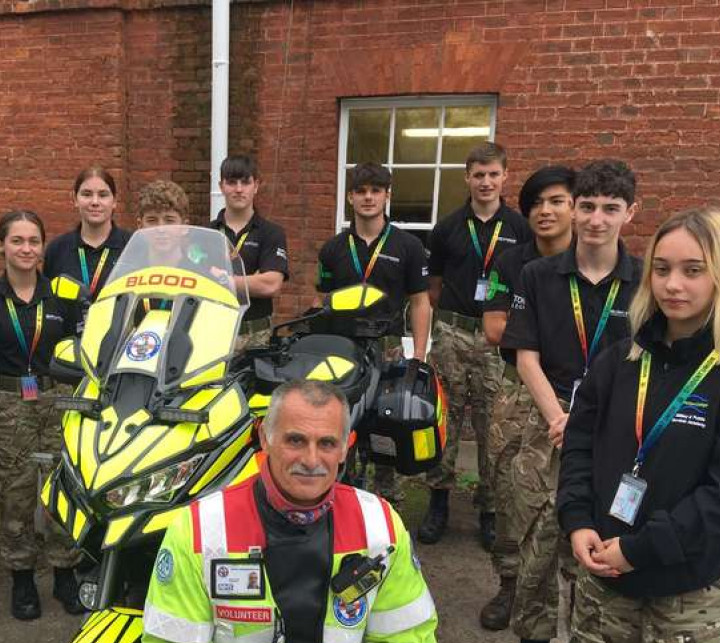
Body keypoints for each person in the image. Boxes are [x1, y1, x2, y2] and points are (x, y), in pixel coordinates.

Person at [143, 380, 440, 643]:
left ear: (346, 449)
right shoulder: (199, 531)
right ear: (264, 439)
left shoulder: (379, 525)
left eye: (327, 443)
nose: (312, 460)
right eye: (295, 440)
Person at [558, 206, 720, 643]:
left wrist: (643, 548)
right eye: (663, 269)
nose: (673, 285)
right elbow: (579, 443)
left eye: (693, 270)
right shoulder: (621, 359)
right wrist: (577, 518)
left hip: (687, 598)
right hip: (606, 584)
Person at [475, 160, 642, 643]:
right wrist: (560, 419)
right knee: (538, 543)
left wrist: (595, 422)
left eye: (607, 209)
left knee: (599, 545)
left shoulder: (643, 282)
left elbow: (650, 365)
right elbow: (524, 356)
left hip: (617, 434)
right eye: (588, 206)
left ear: (629, 214)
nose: (595, 219)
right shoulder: (538, 277)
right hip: (551, 427)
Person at [418, 142, 532, 549]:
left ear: (505, 176)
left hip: (496, 338)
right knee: (444, 420)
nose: (485, 182)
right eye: (478, 175)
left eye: (493, 174)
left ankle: (488, 509)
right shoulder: (447, 228)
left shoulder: (520, 229)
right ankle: (438, 502)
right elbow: (433, 288)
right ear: (467, 178)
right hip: (451, 333)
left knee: (491, 426)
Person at [0, 211, 83, 621]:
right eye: (17, 240)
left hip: (56, 401)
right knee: (14, 492)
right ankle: (21, 576)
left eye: (33, 241)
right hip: (8, 405)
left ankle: (64, 571)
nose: (25, 249)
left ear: (42, 247)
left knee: (62, 486)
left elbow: (75, 349)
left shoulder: (59, 298)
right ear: (1, 245)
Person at [478, 166, 575, 632]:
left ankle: (573, 585)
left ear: (574, 207)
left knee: (574, 493)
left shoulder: (592, 262)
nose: (545, 211)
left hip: (581, 397)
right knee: (509, 491)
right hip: (517, 395)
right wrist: (546, 342)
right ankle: (510, 582)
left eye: (556, 201)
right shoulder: (510, 263)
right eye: (536, 203)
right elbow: (495, 330)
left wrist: (535, 338)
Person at [315, 163, 431, 504]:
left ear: (386, 196)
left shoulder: (408, 246)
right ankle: (340, 500)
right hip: (343, 349)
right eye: (361, 191)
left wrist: (419, 356)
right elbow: (321, 300)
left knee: (386, 429)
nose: (368, 197)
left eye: (375, 191)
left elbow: (421, 303)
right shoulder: (333, 248)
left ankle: (388, 507)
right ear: (350, 197)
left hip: (390, 348)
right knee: (341, 424)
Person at [209, 155, 289, 351]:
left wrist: (225, 281)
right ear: (221, 186)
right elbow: (199, 280)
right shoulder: (207, 234)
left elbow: (271, 284)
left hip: (257, 336)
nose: (238, 189)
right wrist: (251, 281)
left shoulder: (271, 232)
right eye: (231, 182)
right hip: (212, 331)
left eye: (245, 182)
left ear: (256, 186)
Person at [43, 166, 132, 305]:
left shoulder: (131, 246)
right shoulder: (57, 249)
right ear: (75, 199)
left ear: (114, 201)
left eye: (103, 195)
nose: (95, 202)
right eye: (87, 194)